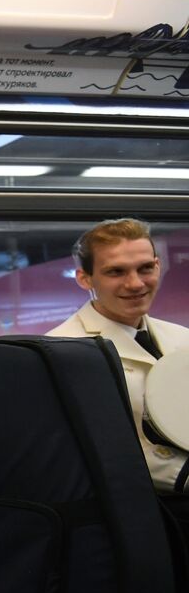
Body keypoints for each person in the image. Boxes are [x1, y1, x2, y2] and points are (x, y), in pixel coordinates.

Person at [47, 218, 189, 535]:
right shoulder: (63, 350)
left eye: (145, 268)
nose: (136, 283)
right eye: (116, 272)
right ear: (85, 278)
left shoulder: (182, 338)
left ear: (158, 265)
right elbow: (98, 453)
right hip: (140, 519)